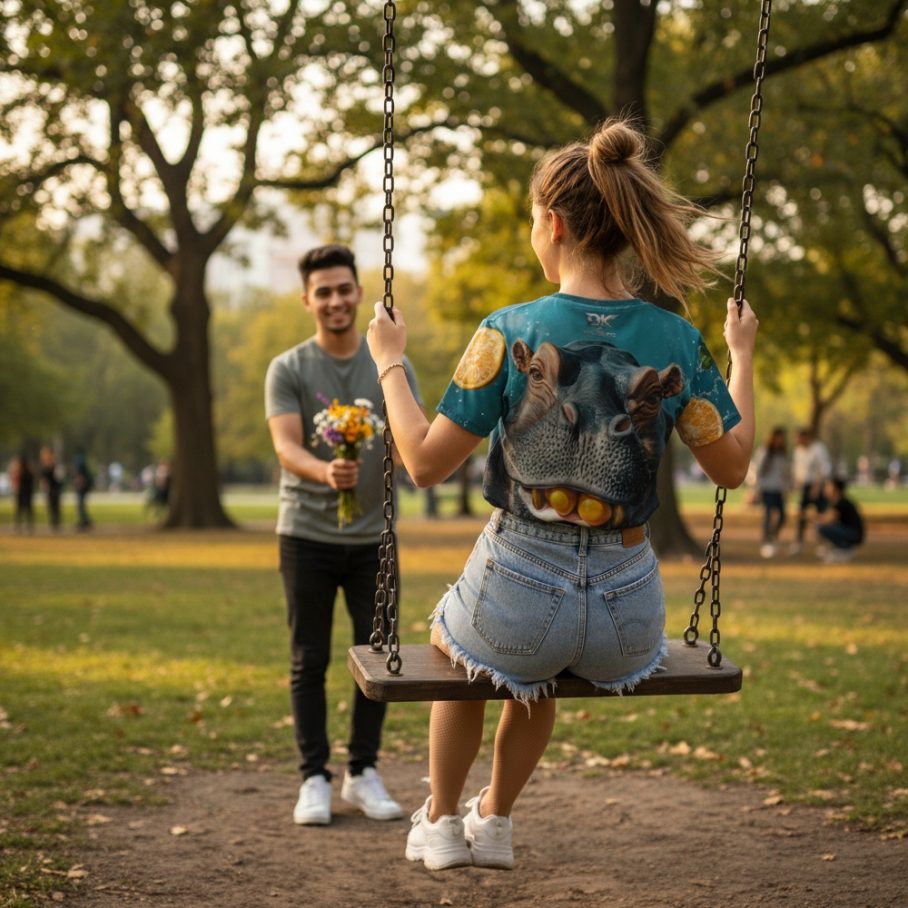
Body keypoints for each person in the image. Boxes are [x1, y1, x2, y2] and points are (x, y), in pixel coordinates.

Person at [367, 118, 757, 871]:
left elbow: (421, 463)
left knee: (457, 653)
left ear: (552, 223)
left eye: (530, 221)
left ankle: (442, 820)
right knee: (533, 679)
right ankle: (495, 819)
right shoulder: (677, 339)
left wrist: (390, 362)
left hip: (517, 596)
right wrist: (742, 356)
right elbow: (732, 470)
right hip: (627, 624)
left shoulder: (508, 329)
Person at [265, 244, 422, 827]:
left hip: (375, 537)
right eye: (323, 291)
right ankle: (313, 777)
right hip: (305, 534)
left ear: (359, 293)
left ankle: (362, 771)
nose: (335, 300)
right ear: (307, 300)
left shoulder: (390, 363)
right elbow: (286, 446)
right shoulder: (288, 368)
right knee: (308, 658)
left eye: (343, 289)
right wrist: (324, 471)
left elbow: (412, 438)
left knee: (378, 657)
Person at [789, 427, 831, 554]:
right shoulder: (798, 451)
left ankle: (822, 542)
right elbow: (797, 470)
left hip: (818, 485)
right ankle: (798, 542)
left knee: (820, 515)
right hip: (805, 486)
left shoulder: (818, 449)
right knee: (801, 514)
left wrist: (817, 487)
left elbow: (824, 469)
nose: (797, 441)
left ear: (806, 437)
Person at [751, 427, 790, 558]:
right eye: (778, 438)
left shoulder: (782, 454)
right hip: (766, 488)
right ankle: (766, 540)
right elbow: (757, 471)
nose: (780, 441)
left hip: (778, 489)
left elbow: (785, 473)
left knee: (782, 516)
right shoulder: (765, 452)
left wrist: (787, 488)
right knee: (768, 515)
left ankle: (772, 535)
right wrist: (755, 489)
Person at [815, 477, 864, 563]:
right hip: (852, 533)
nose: (825, 489)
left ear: (835, 489)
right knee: (822, 526)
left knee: (822, 527)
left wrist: (813, 517)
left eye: (828, 486)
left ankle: (845, 549)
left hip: (853, 534)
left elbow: (827, 520)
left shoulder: (841, 502)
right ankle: (842, 548)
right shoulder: (836, 501)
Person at [39, 446, 64, 531]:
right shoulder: (44, 467)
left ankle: (56, 523)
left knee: (56, 506)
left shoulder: (55, 465)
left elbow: (59, 477)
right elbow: (43, 479)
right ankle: (53, 523)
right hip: (50, 489)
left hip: (55, 488)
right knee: (51, 506)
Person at [11, 455, 35, 533]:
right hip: (23, 493)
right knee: (20, 509)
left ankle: (27, 525)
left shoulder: (27, 472)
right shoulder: (20, 472)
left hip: (26, 493)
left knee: (26, 509)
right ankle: (19, 525)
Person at [72, 450, 94, 531]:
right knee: (81, 505)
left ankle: (84, 521)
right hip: (85, 485)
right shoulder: (82, 459)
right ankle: (85, 520)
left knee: (80, 505)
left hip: (82, 486)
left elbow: (80, 473)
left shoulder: (78, 460)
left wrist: (79, 484)